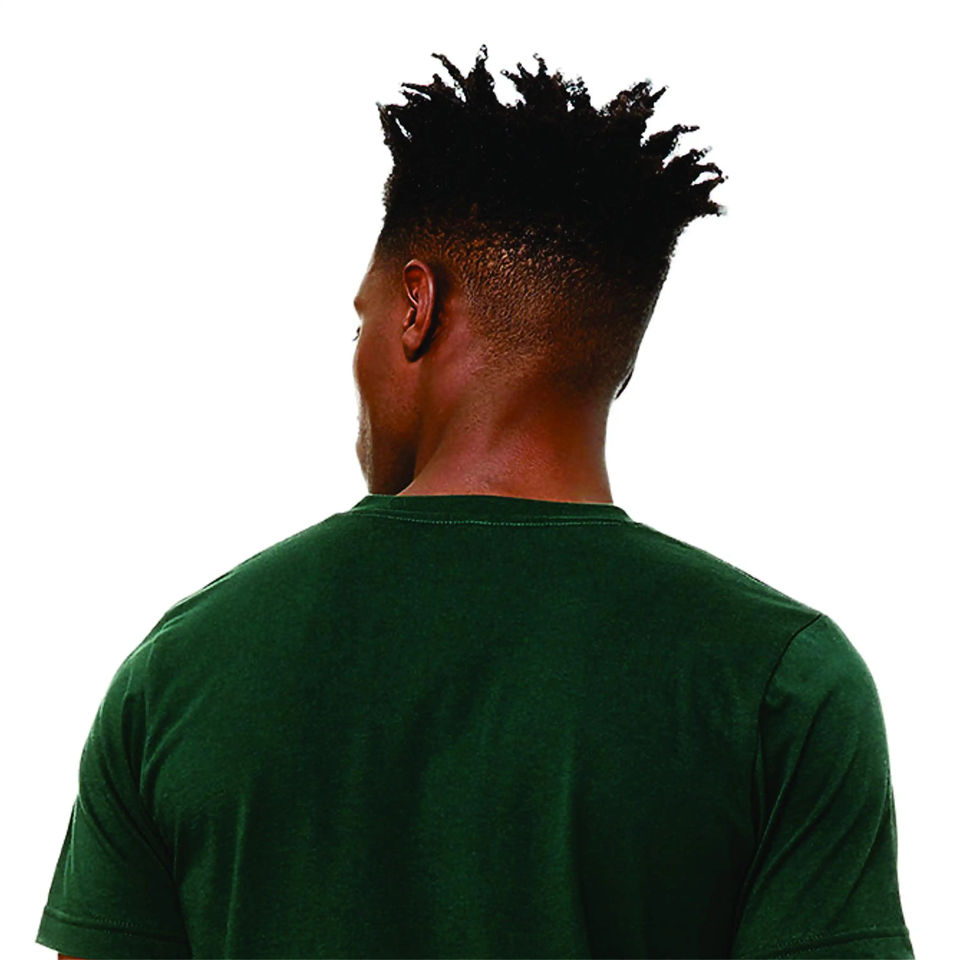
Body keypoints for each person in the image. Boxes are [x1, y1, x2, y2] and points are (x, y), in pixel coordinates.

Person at [37, 45, 913, 959]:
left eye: (361, 319)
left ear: (416, 308)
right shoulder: (781, 684)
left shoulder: (181, 671)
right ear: (619, 364)